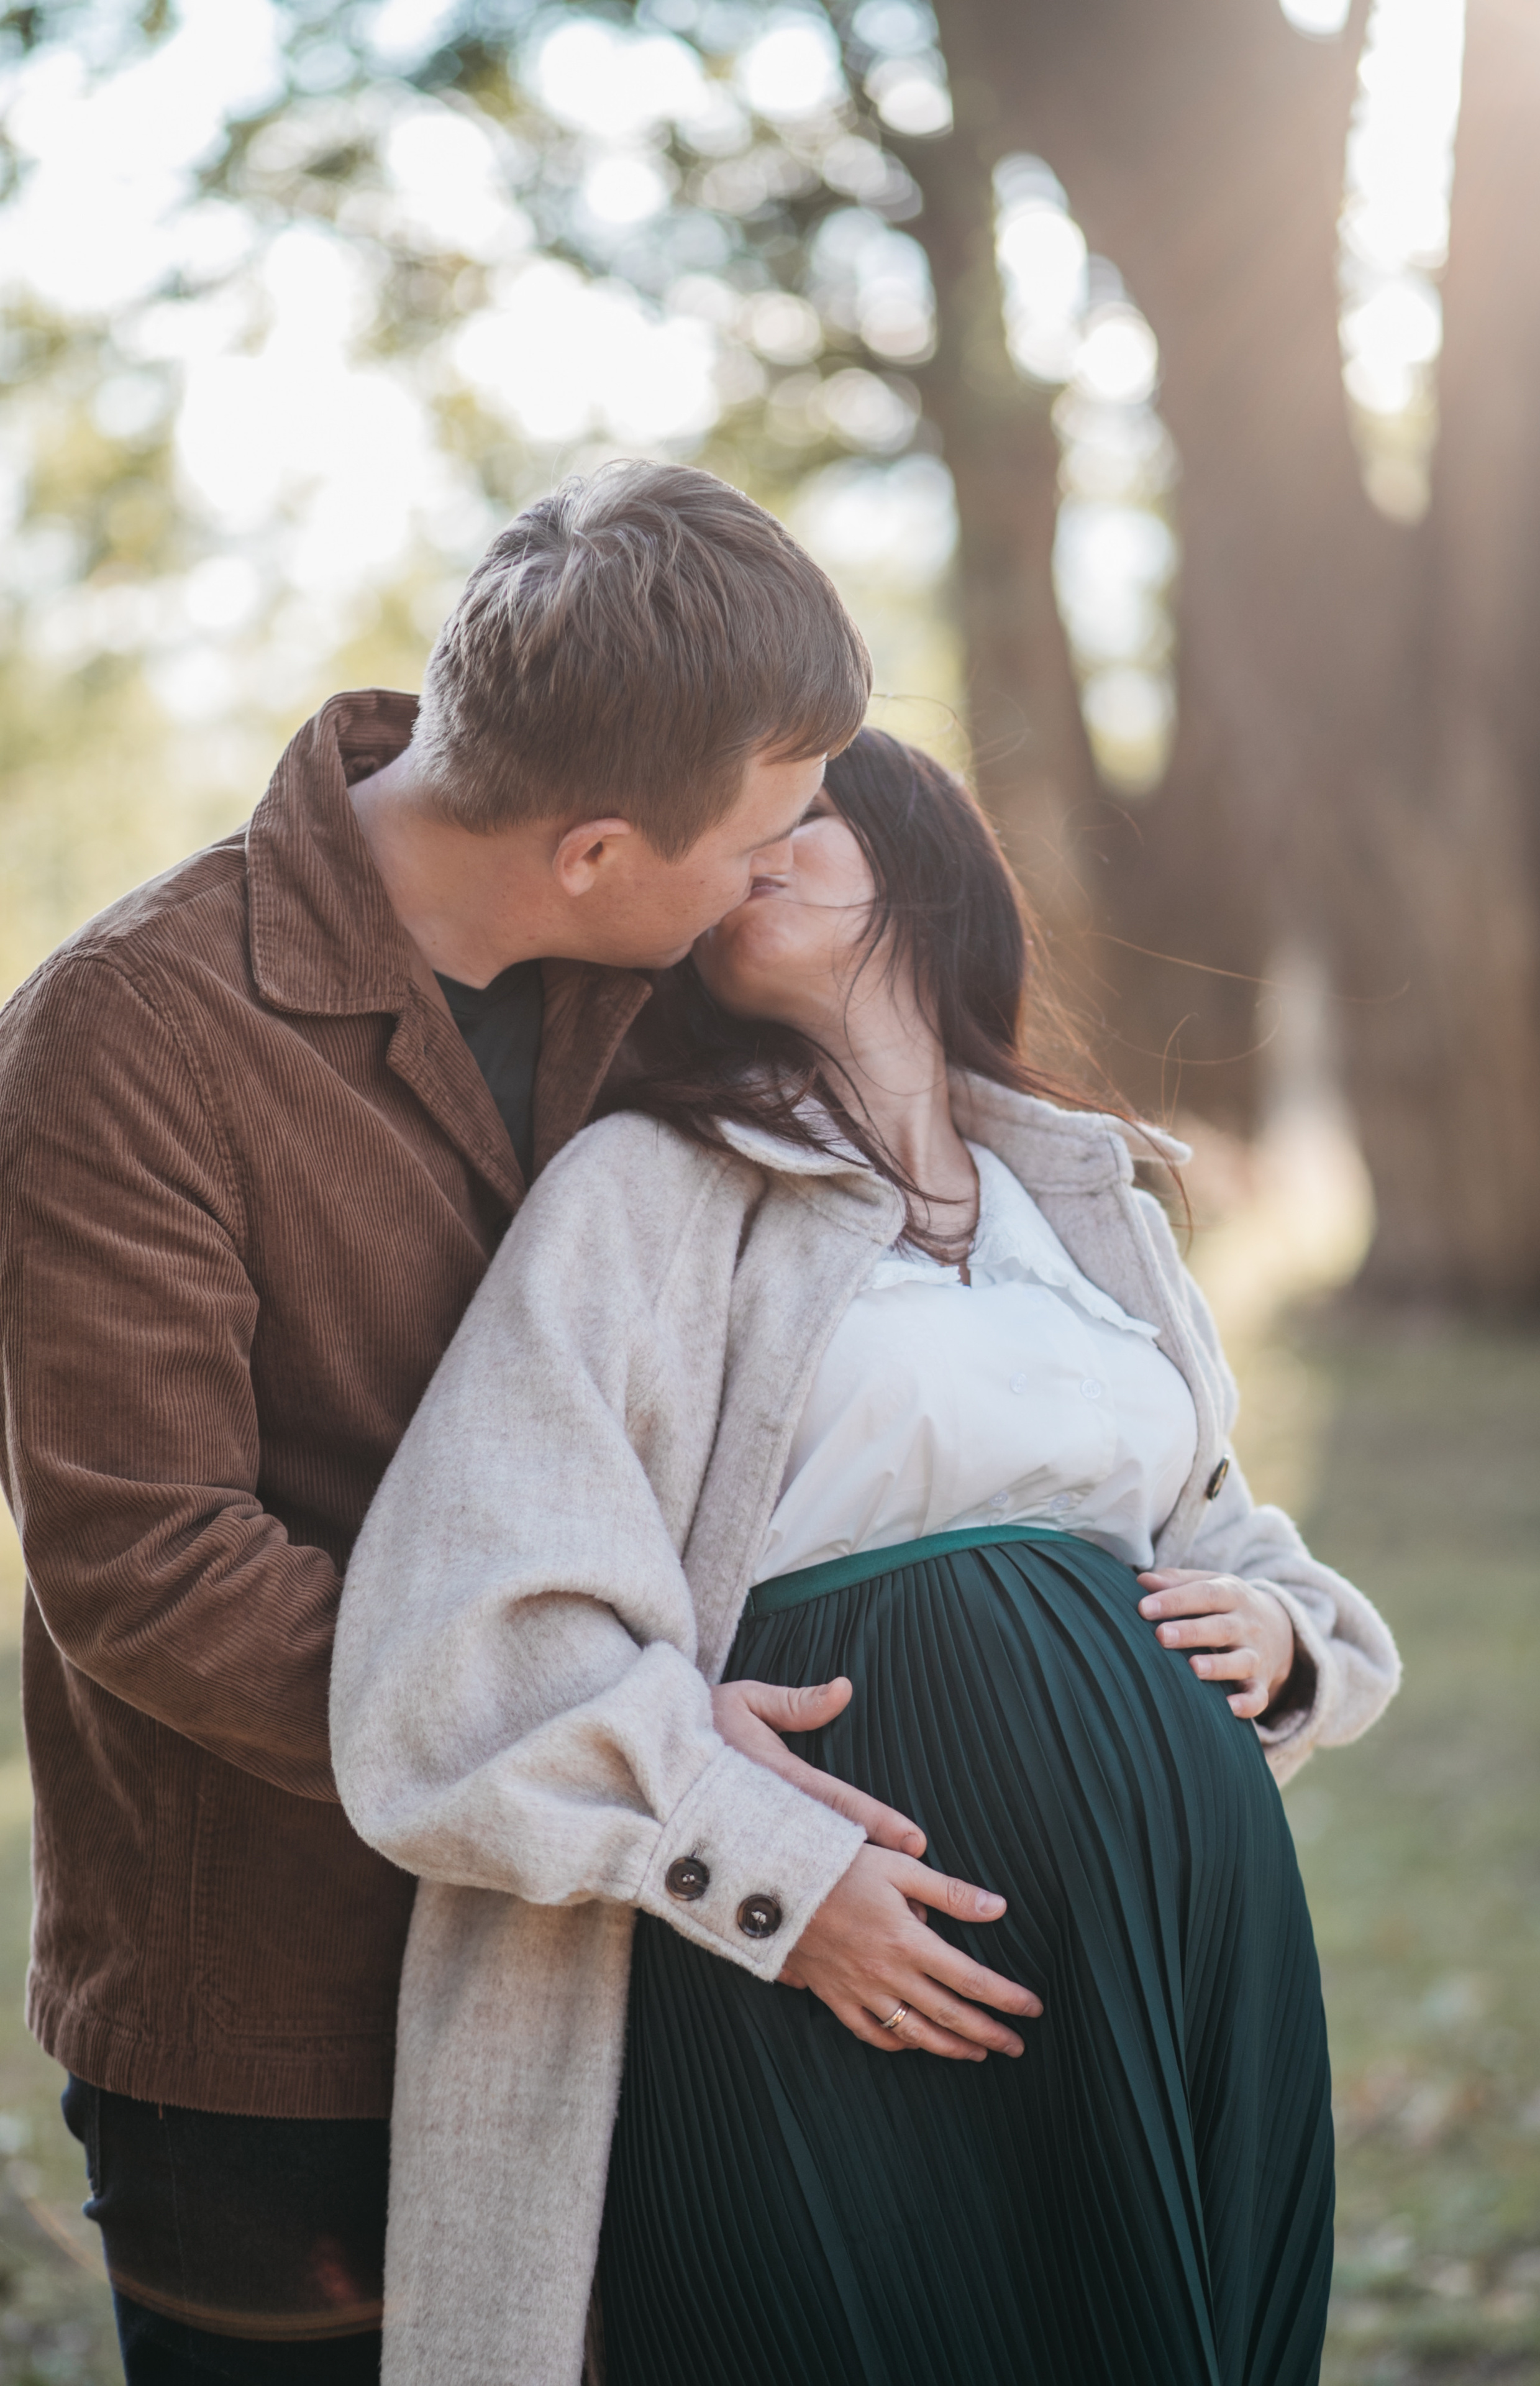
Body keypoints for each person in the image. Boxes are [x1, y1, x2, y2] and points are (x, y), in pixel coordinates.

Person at [332, 728, 1402, 2386]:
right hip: (820, 1958)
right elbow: (465, 1634)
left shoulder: (1090, 1204)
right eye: (720, 827)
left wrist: (1278, 1627)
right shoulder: (649, 1192)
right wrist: (758, 1857)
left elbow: (1214, 1517)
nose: (749, 845)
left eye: (800, 811)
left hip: (1183, 1937)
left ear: (923, 858)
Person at [0, 462, 886, 2382]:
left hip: (616, 1956)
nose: (787, 866)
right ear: (589, 851)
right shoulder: (123, 1036)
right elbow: (144, 1569)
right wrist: (620, 1743)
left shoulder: (660, 984)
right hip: (279, 2003)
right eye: (766, 829)